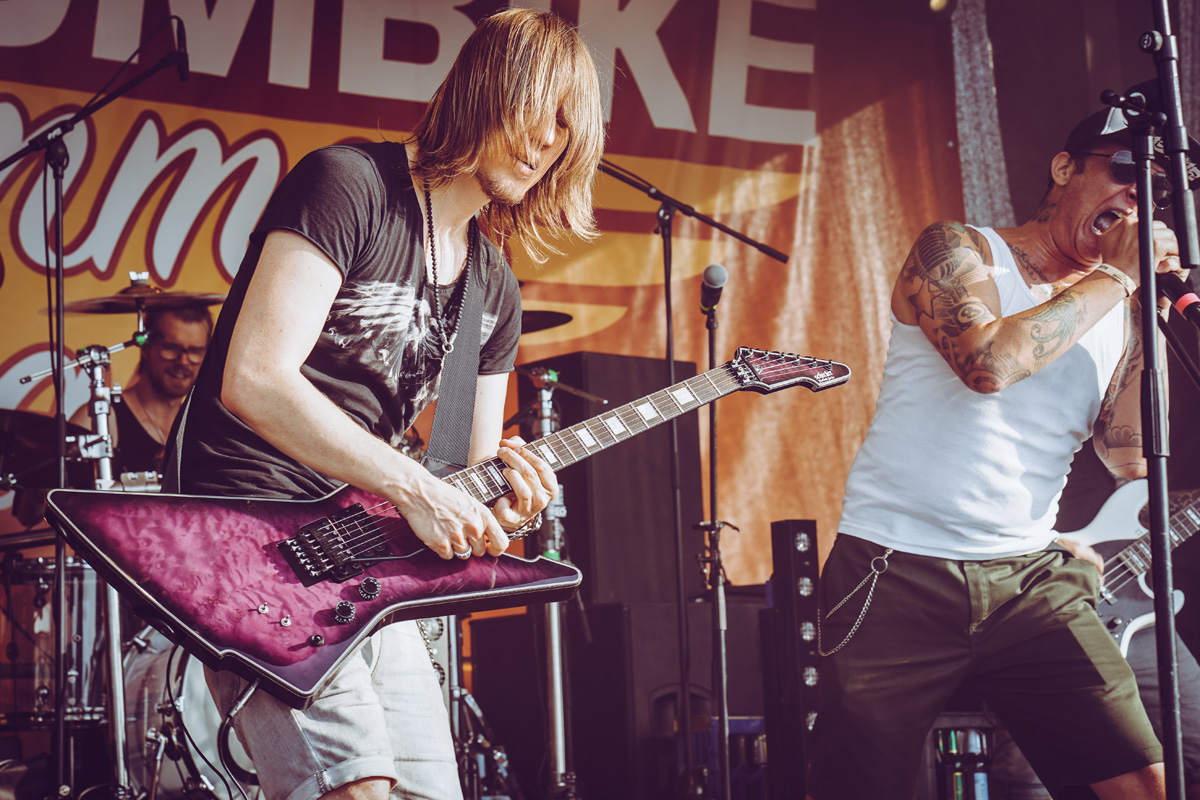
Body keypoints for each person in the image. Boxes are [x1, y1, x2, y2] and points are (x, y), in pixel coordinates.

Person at [164, 9, 603, 800]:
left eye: (569, 127)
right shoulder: (349, 183)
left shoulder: (493, 290)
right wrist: (412, 486)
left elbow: (460, 477)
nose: (548, 141)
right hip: (247, 534)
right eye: (541, 110)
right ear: (486, 89)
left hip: (361, 558)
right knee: (357, 790)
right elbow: (254, 378)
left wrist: (506, 506)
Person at [807, 106, 1192, 799]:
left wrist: (1146, 314)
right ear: (1064, 167)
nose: (1137, 196)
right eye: (1123, 171)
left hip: (1030, 582)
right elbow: (987, 365)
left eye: (1156, 189)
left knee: (1142, 785)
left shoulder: (1117, 302)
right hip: (894, 571)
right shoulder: (958, 249)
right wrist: (1117, 279)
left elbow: (1130, 456)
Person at [71, 306, 212, 479]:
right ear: (146, 348)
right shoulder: (99, 420)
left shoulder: (202, 427)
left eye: (196, 351)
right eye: (171, 348)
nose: (183, 361)